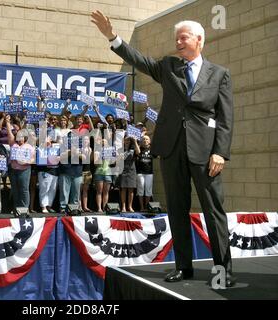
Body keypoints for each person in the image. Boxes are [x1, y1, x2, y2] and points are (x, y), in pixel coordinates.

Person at [91, 12, 235, 286]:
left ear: (199, 40)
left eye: (184, 37)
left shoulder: (220, 75)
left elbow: (226, 117)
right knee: (177, 209)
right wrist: (113, 37)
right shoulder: (169, 66)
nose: (178, 42)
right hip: (171, 150)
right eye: (176, 38)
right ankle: (184, 267)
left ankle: (222, 270)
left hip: (206, 154)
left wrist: (220, 152)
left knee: (213, 210)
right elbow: (140, 60)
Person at [135, 135, 154, 212]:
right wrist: (138, 143)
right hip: (140, 173)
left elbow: (157, 155)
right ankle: (142, 207)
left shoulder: (152, 149)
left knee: (148, 190)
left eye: (147, 139)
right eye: (144, 139)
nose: (145, 140)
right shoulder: (139, 148)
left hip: (149, 173)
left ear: (149, 141)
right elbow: (137, 153)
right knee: (141, 189)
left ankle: (147, 207)